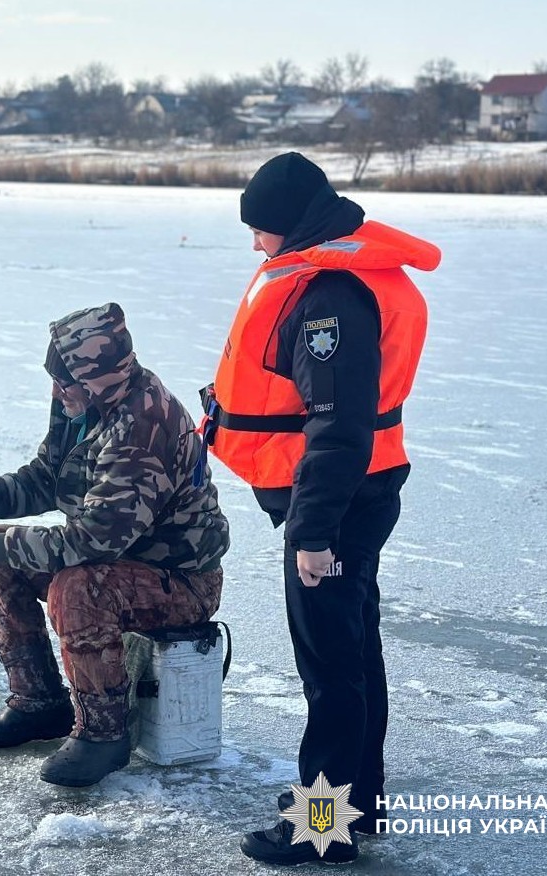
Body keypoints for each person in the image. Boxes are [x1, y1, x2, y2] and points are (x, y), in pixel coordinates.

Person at [198, 152, 439, 865]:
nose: (256, 245)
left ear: (291, 223)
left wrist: (312, 533)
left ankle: (325, 828)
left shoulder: (329, 298)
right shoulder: (337, 273)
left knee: (332, 669)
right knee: (353, 652)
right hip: (358, 490)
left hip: (337, 502)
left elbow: (337, 429)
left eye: (260, 230)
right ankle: (359, 804)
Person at [0, 303, 229, 787]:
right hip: (119, 560)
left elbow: (93, 539)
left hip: (181, 581)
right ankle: (38, 703)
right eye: (55, 380)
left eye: (65, 383)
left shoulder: (144, 423)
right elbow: (47, 477)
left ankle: (103, 734)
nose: (57, 392)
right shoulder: (83, 402)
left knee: (76, 587)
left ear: (99, 377)